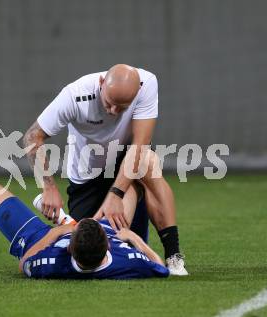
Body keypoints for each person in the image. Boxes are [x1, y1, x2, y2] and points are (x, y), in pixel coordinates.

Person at [23, 64, 188, 275]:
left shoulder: (147, 84)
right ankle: (134, 207)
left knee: (147, 161)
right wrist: (48, 187)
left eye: (123, 107)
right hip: (87, 176)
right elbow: (31, 137)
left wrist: (116, 193)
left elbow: (139, 146)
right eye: (110, 104)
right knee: (90, 246)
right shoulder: (74, 96)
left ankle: (173, 256)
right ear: (101, 83)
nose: (113, 112)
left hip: (126, 158)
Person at [0, 183, 169, 280]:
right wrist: (133, 238)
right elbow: (161, 267)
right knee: (133, 185)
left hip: (43, 238)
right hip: (106, 233)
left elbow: (24, 263)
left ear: (70, 248)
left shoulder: (49, 263)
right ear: (109, 246)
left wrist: (57, 232)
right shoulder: (132, 263)